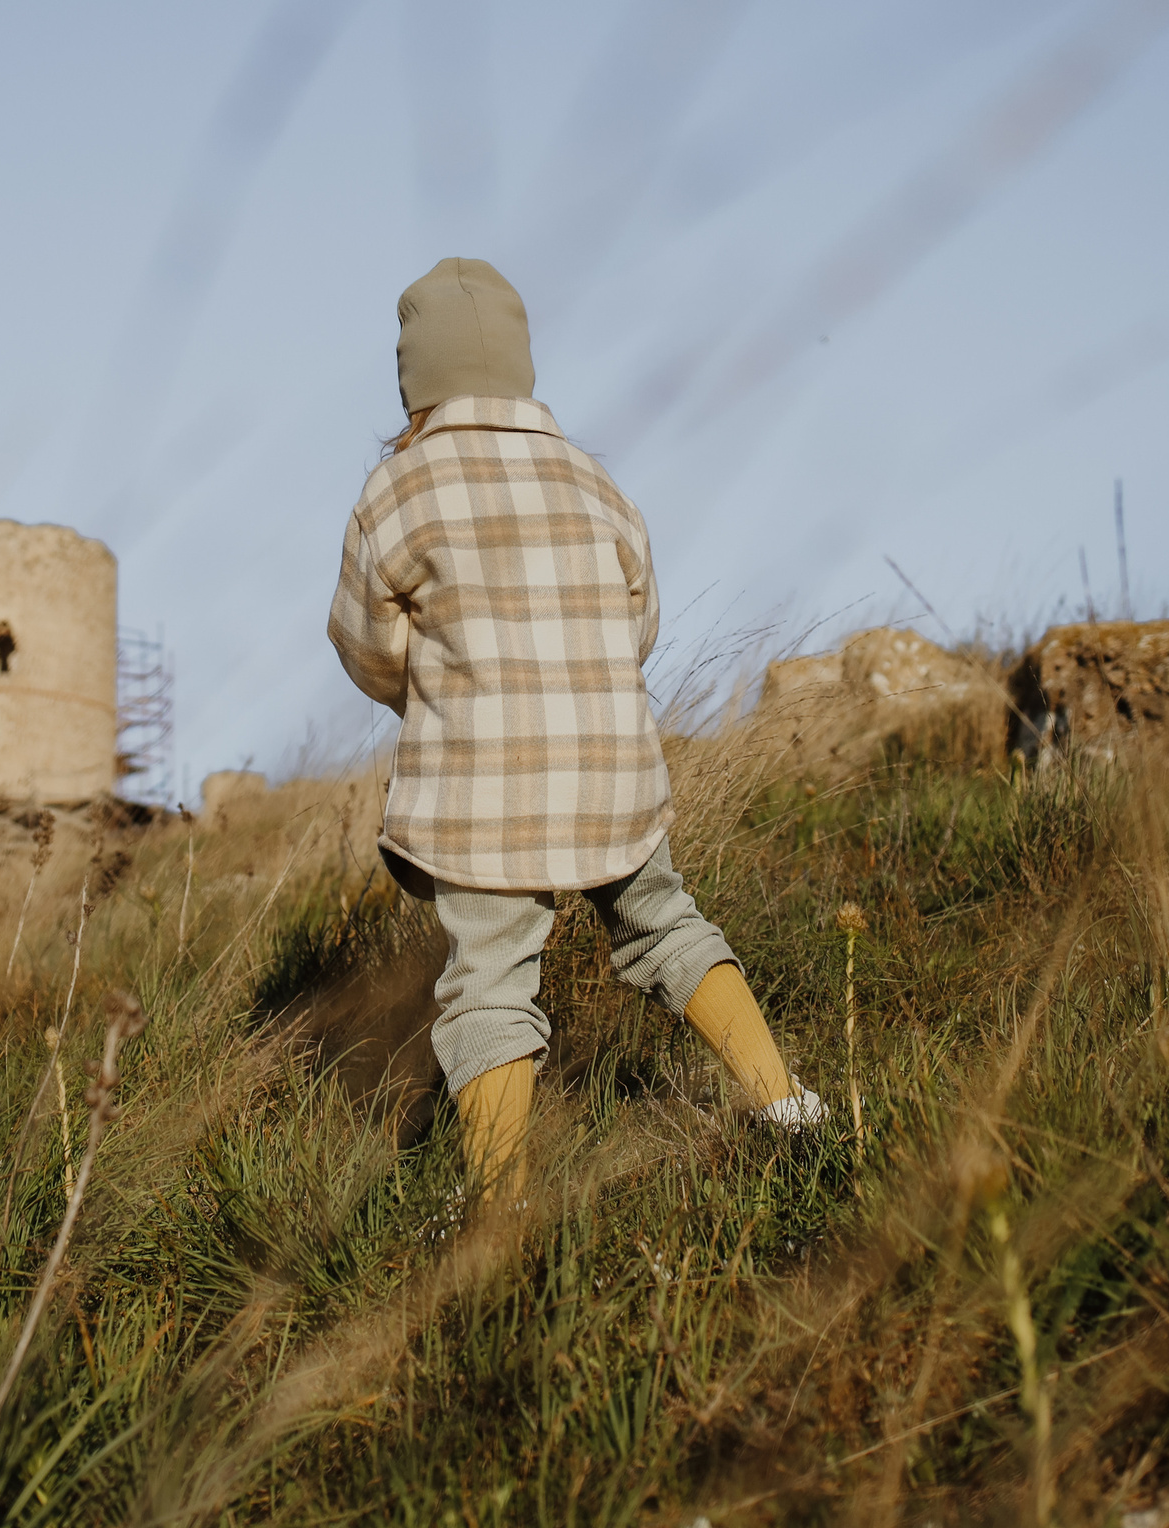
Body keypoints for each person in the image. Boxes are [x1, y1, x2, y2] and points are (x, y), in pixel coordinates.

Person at [328, 257, 824, 1200]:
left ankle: (500, 1210)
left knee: (489, 981)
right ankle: (783, 1101)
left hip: (481, 788)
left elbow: (364, 641)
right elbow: (640, 619)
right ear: (519, 368)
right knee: (666, 924)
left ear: (414, 381)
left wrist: (419, 688)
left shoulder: (394, 491)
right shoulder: (591, 480)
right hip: (609, 770)